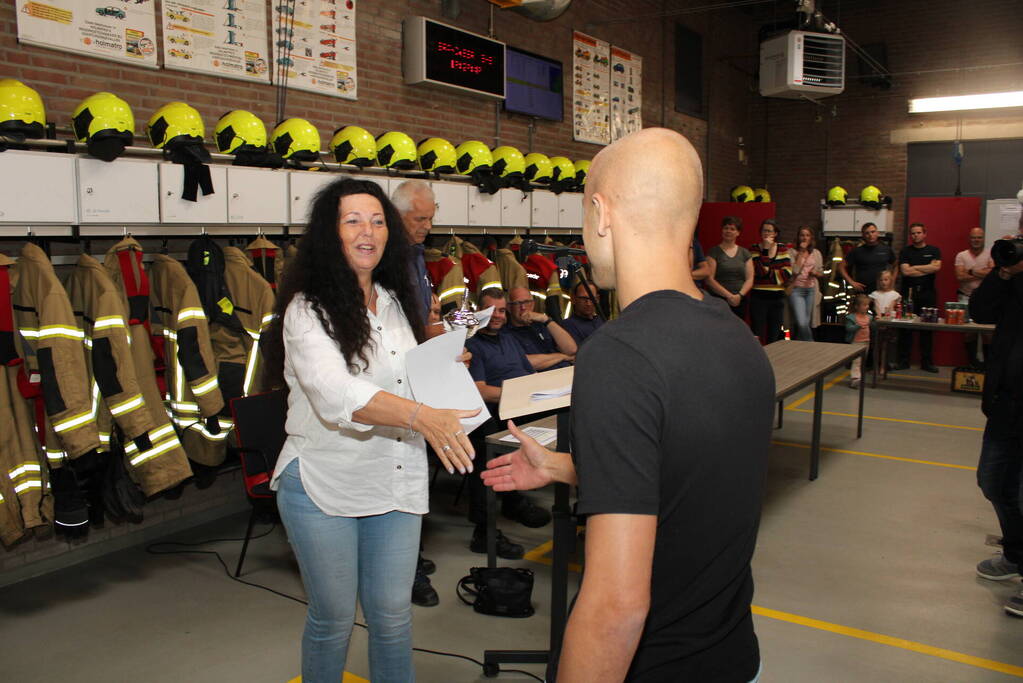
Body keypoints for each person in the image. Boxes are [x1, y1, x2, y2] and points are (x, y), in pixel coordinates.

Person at [481, 128, 773, 682]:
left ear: (601, 213)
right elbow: (686, 483)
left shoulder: (618, 357)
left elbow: (616, 608)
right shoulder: (737, 337)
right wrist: (565, 467)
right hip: (734, 658)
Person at [263, 177, 479, 682]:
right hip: (324, 484)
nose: (368, 231)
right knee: (333, 620)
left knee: (392, 618)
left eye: (378, 221)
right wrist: (420, 417)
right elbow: (334, 393)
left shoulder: (393, 300)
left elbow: (401, 377)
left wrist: (441, 363)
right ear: (330, 233)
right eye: (353, 221)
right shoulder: (308, 309)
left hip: (394, 477)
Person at [464, 289, 552, 559]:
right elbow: (480, 390)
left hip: (519, 408)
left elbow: (528, 373)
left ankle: (513, 502)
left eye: (502, 310)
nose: (497, 316)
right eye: (490, 310)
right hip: (489, 413)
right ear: (479, 312)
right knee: (487, 449)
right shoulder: (472, 345)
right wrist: (519, 396)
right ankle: (484, 533)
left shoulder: (510, 339)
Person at [393, 179, 445, 607]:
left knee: (415, 470)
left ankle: (409, 552)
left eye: (430, 218)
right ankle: (404, 568)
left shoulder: (414, 255)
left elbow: (422, 315)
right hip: (394, 382)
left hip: (417, 376)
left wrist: (441, 336)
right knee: (400, 472)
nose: (427, 226)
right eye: (420, 219)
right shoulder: (385, 259)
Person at [968, 242, 1023, 618]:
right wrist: (1003, 272)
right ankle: (1015, 554)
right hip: (1006, 403)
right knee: (992, 481)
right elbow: (980, 311)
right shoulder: (1013, 278)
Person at [895, 222, 942, 372]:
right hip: (909, 294)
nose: (915, 236)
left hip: (928, 294)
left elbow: (936, 267)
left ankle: (926, 363)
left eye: (918, 233)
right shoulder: (905, 251)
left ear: (924, 234)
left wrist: (914, 267)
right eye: (913, 233)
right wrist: (927, 268)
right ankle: (903, 361)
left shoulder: (934, 251)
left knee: (927, 328)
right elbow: (905, 272)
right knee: (905, 328)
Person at [505, 285, 577, 370]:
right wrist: (562, 357)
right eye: (517, 303)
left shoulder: (543, 324)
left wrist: (545, 319)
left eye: (527, 302)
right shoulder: (505, 333)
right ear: (509, 308)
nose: (523, 307)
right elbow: (525, 362)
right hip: (542, 376)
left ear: (533, 304)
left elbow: (571, 350)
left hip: (567, 371)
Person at [954, 227, 994, 368]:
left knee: (987, 334)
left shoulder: (990, 254)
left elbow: (992, 274)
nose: (976, 240)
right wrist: (982, 272)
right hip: (965, 297)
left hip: (987, 299)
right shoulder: (961, 255)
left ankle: (987, 366)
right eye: (973, 237)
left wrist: (970, 271)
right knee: (969, 333)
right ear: (969, 239)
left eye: (979, 237)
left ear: (983, 238)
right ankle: (972, 363)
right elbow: (960, 276)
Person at [749, 218, 793, 344]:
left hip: (777, 298)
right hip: (758, 297)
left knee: (774, 335)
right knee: (757, 333)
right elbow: (760, 272)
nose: (766, 233)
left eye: (769, 231)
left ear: (775, 233)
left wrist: (768, 273)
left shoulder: (782, 249)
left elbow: (787, 274)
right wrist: (765, 251)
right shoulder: (754, 249)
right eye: (764, 230)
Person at [706, 215, 754, 318]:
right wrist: (729, 296)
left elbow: (750, 279)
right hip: (719, 300)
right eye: (726, 228)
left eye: (732, 229)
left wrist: (739, 295)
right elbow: (709, 279)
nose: (728, 231)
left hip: (740, 300)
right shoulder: (713, 252)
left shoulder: (745, 253)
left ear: (738, 233)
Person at [838, 222, 895, 294]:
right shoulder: (857, 251)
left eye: (873, 232)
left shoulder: (886, 249)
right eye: (867, 233)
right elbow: (840, 266)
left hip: (882, 291)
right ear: (863, 235)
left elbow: (896, 265)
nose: (870, 235)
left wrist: (892, 280)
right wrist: (851, 282)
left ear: (877, 233)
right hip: (863, 292)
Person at [787, 226, 823, 341]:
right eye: (802, 235)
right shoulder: (791, 252)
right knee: (801, 323)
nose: (804, 238)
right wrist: (801, 253)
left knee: (805, 323)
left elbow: (821, 272)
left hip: (811, 290)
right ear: (798, 237)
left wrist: (815, 273)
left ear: (811, 238)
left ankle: (801, 346)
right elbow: (794, 271)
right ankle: (812, 345)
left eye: (807, 235)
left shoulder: (816, 253)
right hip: (796, 290)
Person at [560, 280, 604, 345]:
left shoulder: (602, 321)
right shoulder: (567, 325)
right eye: (583, 298)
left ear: (597, 299)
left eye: (592, 298)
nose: (588, 303)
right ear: (573, 299)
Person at [844, 294, 873, 389]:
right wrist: (857, 326)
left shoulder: (869, 317)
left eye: (867, 305)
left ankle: (858, 377)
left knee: (861, 361)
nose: (867, 307)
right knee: (857, 361)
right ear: (857, 306)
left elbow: (872, 326)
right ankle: (855, 378)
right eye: (864, 305)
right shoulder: (852, 317)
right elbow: (848, 328)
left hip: (866, 342)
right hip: (856, 342)